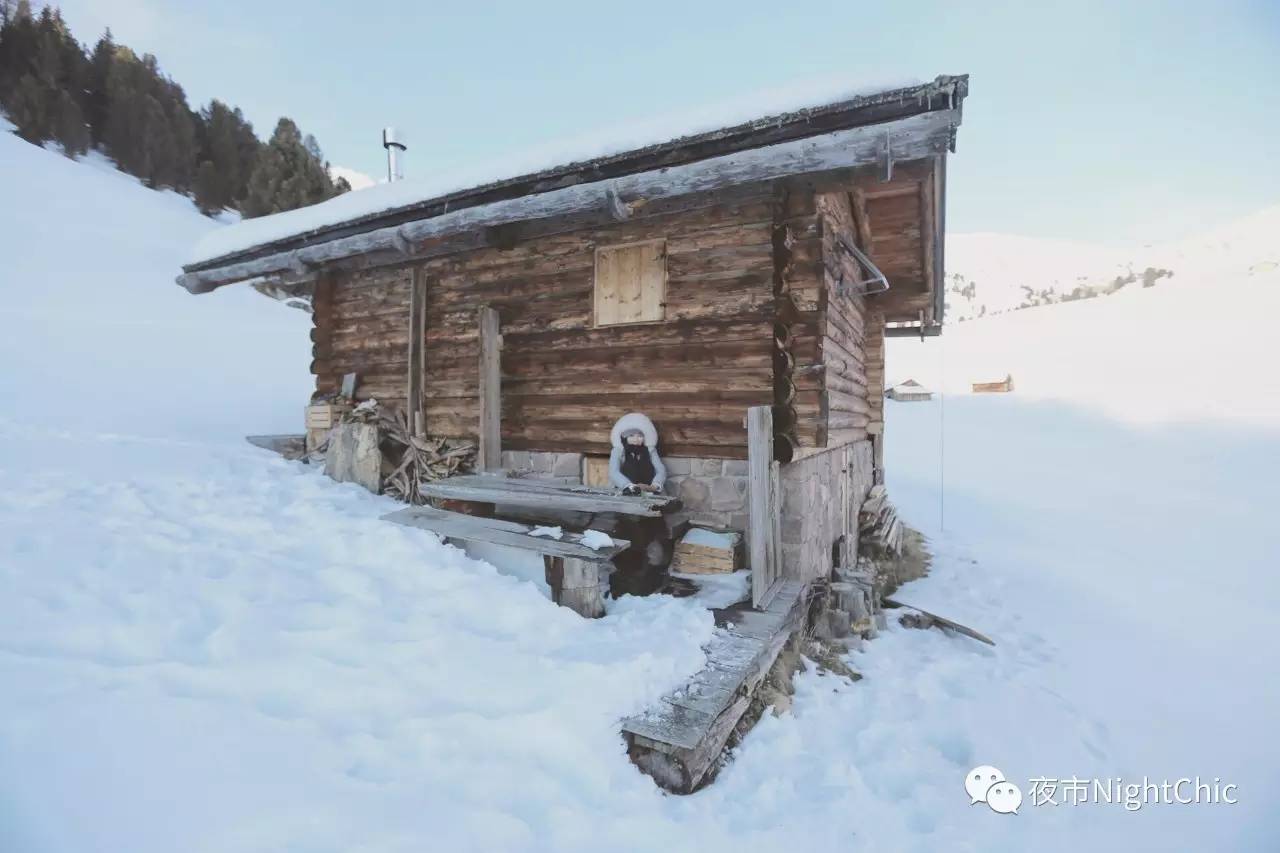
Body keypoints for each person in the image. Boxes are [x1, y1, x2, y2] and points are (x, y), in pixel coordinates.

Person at [608, 412, 667, 495]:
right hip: (624, 491)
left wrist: (654, 485)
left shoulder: (650, 450)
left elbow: (661, 470)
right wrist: (630, 486)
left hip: (648, 491)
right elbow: (614, 472)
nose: (636, 439)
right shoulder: (618, 451)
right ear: (624, 437)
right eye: (631, 435)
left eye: (640, 436)